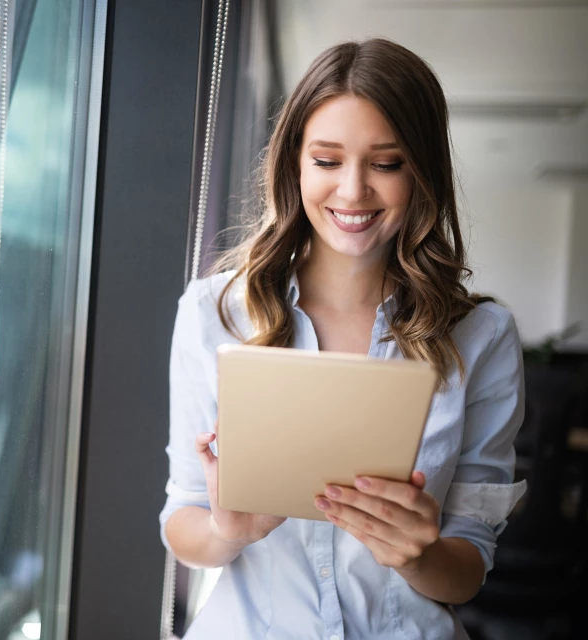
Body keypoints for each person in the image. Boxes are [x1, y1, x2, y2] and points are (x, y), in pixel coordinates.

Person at [160, 38, 527, 639]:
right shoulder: (215, 312)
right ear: (294, 164)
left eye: (386, 163)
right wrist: (231, 530)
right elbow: (183, 521)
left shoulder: (481, 336)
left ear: (423, 171)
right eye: (327, 161)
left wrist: (418, 554)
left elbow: (467, 569)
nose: (353, 192)